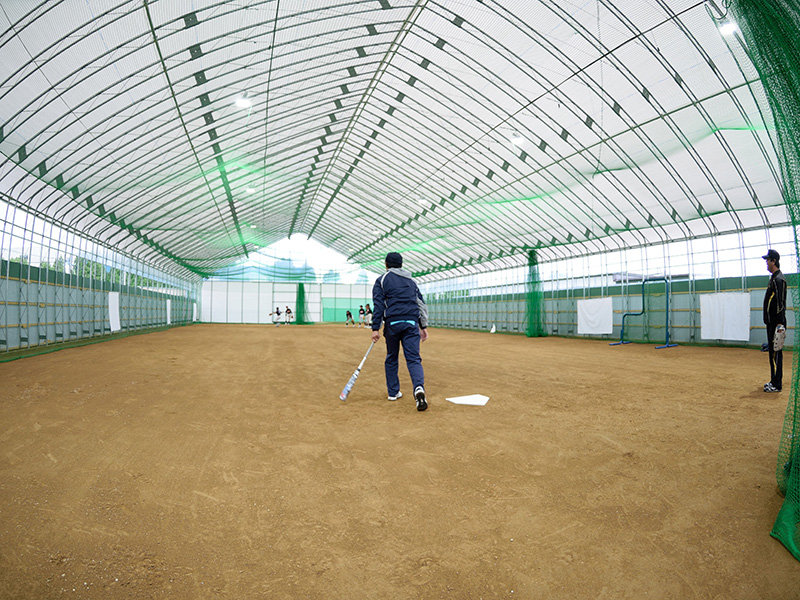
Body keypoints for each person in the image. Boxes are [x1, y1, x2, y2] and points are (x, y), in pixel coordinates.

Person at [371, 252, 429, 411]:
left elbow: (379, 306)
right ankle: (418, 388)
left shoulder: (382, 280)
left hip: (392, 324)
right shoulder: (411, 282)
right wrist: (423, 326)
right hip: (411, 323)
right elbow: (421, 305)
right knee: (413, 359)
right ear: (401, 264)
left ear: (386, 264)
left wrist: (375, 328)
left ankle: (393, 392)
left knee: (391, 357)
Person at [763, 249, 787, 392]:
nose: (766, 262)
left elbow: (781, 303)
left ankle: (777, 384)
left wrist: (779, 324)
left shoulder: (779, 279)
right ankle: (773, 380)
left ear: (773, 261)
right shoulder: (773, 278)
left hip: (776, 323)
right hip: (771, 323)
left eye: (768, 260)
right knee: (772, 352)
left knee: (777, 353)